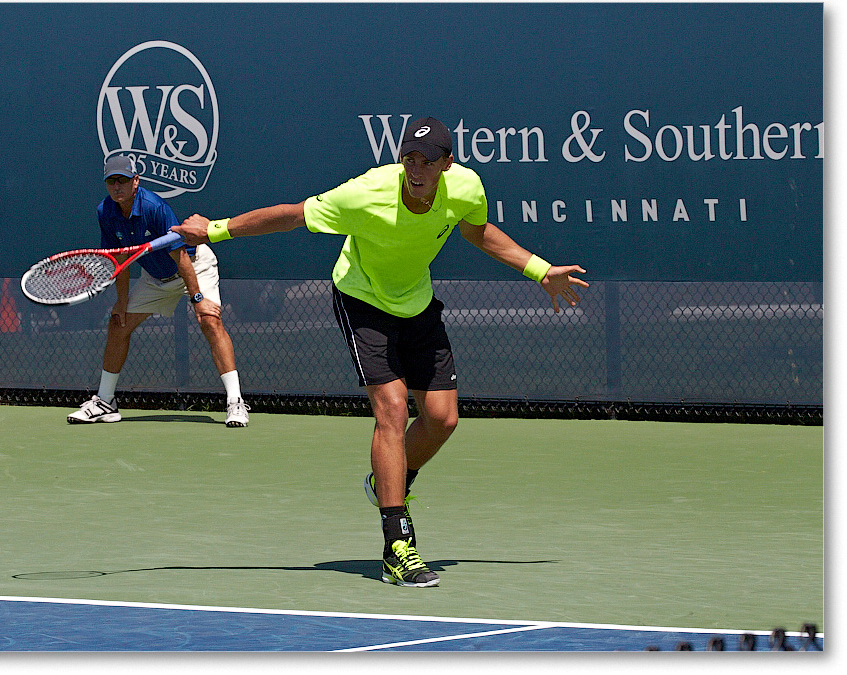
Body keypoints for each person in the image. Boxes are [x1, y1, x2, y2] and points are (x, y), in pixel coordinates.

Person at [175, 117, 588, 588]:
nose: (416, 169)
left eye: (427, 161)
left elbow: (478, 232)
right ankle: (397, 542)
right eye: (409, 159)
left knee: (442, 419)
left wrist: (540, 270)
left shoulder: (467, 187)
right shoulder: (366, 194)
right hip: (363, 298)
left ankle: (385, 480)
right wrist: (217, 229)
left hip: (416, 300)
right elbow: (292, 215)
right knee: (391, 411)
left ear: (446, 164)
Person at [68, 155, 250, 427]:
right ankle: (105, 402)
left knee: (210, 321)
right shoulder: (105, 211)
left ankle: (235, 402)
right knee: (119, 323)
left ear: (136, 181)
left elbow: (181, 257)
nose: (117, 186)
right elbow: (120, 259)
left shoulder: (154, 207)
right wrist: (121, 302)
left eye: (123, 180)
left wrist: (197, 298)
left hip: (193, 266)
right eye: (111, 181)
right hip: (155, 277)